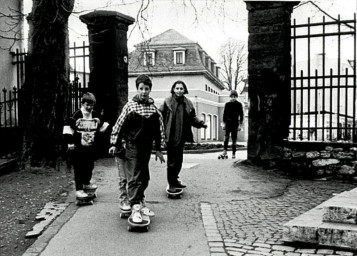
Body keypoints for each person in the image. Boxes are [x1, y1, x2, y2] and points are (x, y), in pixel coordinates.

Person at [109, 74, 165, 223]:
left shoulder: (153, 110)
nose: (144, 92)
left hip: (146, 148)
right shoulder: (130, 106)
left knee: (144, 177)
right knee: (133, 176)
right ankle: (134, 207)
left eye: (147, 89)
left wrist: (158, 149)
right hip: (132, 146)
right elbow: (119, 126)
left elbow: (159, 131)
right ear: (137, 89)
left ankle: (140, 201)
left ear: (150, 90)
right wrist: (115, 144)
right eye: (141, 88)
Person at [159, 80, 207, 193]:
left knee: (179, 161)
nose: (179, 91)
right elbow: (159, 115)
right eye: (177, 88)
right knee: (172, 162)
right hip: (170, 136)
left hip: (182, 136)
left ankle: (175, 179)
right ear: (173, 89)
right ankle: (171, 183)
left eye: (181, 88)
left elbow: (192, 118)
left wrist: (201, 123)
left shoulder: (188, 103)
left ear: (184, 90)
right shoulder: (167, 101)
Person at [63, 92, 109, 199]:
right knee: (79, 168)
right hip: (78, 147)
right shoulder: (77, 115)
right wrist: (70, 142)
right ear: (82, 104)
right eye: (87, 105)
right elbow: (68, 128)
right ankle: (79, 189)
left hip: (90, 147)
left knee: (89, 166)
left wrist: (100, 121)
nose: (89, 107)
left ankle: (86, 183)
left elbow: (104, 126)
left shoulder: (96, 115)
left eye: (91, 105)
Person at [222, 89, 244, 159]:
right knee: (226, 137)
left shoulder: (239, 104)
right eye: (232, 96)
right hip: (228, 123)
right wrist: (224, 124)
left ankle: (233, 153)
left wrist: (240, 124)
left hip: (235, 123)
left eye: (234, 96)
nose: (233, 98)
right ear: (230, 97)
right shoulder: (227, 104)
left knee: (234, 139)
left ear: (236, 97)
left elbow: (241, 115)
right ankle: (224, 150)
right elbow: (224, 114)